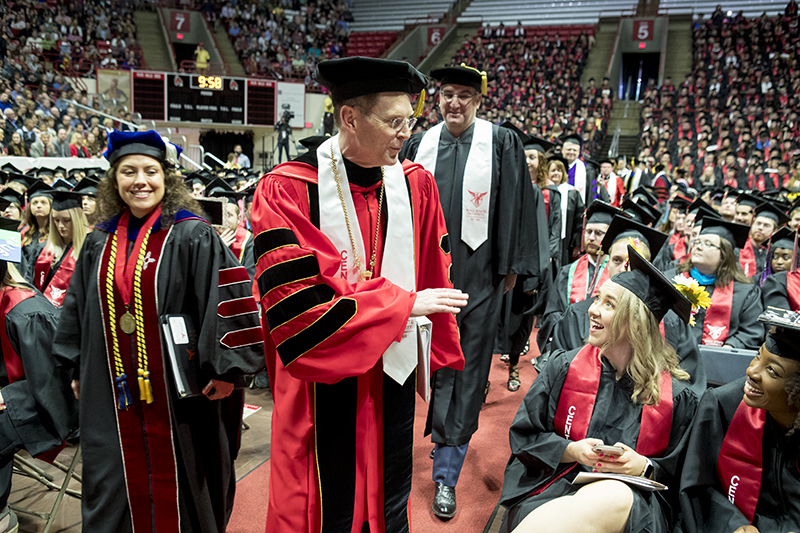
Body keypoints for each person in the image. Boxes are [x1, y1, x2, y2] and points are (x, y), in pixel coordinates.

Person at [252, 57, 466, 532]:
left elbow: (435, 270)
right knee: (326, 505)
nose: (405, 134)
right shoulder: (287, 190)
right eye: (394, 122)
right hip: (321, 379)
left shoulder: (415, 186)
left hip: (390, 374)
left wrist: (437, 342)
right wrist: (400, 305)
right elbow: (299, 309)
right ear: (350, 118)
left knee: (391, 497)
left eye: (409, 121)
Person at [52, 130, 265, 532]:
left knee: (186, 473)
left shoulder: (191, 234)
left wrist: (224, 371)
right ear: (114, 180)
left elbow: (224, 300)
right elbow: (77, 307)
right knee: (110, 475)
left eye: (151, 171)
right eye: (129, 171)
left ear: (166, 179)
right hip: (113, 388)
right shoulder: (99, 241)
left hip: (178, 390)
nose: (141, 181)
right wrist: (77, 365)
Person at [400, 64, 540, 517]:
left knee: (465, 374)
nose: (454, 103)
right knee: (410, 366)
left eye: (464, 95)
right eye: (446, 95)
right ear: (436, 100)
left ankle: (446, 474)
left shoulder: (500, 143)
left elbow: (518, 205)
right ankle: (394, 459)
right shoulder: (419, 144)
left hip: (479, 279)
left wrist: (512, 269)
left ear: (479, 101)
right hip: (423, 278)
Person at [499, 246, 698, 533]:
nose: (592, 309)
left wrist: (643, 465)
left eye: (609, 304)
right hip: (560, 482)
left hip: (634, 503)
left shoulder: (676, 397)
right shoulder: (564, 367)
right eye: (597, 299)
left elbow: (687, 475)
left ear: (635, 322)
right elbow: (524, 437)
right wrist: (570, 450)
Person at [675, 308, 800, 533]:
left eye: (772, 371)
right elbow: (697, 487)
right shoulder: (723, 406)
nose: (752, 371)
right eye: (758, 357)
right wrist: (734, 524)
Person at [550, 215, 707, 395]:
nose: (625, 268)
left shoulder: (671, 321)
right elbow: (562, 372)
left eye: (635, 261)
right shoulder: (578, 314)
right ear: (606, 264)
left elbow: (687, 384)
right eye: (617, 260)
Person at [0, 214, 77, 533]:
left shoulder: (26, 312)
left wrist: (4, 397)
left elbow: (54, 384)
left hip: (49, 402)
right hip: (18, 393)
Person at [668, 217, 765, 349]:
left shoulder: (744, 291)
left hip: (715, 361)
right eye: (697, 242)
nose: (698, 247)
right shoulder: (670, 279)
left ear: (724, 255)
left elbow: (751, 331)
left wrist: (729, 347)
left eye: (708, 244)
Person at [32, 190, 88, 309]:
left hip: (71, 315)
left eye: (66, 220)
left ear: (77, 220)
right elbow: (30, 281)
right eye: (56, 220)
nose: (61, 226)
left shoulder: (88, 250)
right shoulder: (43, 249)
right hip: (40, 314)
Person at [739, 202, 788, 278]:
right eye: (758, 223)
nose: (760, 228)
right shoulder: (738, 249)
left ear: (774, 231)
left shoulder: (776, 254)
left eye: (766, 225)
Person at [20, 180, 53, 281]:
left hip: (46, 284)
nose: (38, 205)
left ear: (51, 206)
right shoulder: (23, 233)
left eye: (43, 202)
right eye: (35, 203)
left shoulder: (57, 234)